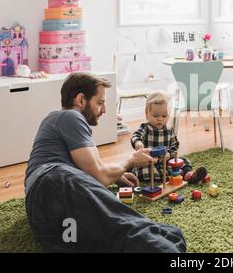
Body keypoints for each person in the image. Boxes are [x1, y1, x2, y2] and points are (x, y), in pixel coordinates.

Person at [24, 72, 186, 253]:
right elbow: (98, 175)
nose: (104, 110)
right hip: (52, 182)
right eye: (100, 102)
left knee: (106, 239)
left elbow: (87, 169)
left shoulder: (55, 120)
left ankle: (165, 240)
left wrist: (117, 175)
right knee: (124, 224)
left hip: (40, 213)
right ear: (80, 100)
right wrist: (130, 161)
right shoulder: (71, 116)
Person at [130, 91, 207, 184]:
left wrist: (169, 154)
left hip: (165, 160)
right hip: (149, 161)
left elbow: (175, 145)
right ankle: (172, 176)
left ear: (169, 115)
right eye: (155, 115)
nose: (160, 119)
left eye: (164, 116)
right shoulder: (145, 127)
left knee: (182, 161)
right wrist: (138, 143)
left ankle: (189, 175)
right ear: (147, 113)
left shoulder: (169, 130)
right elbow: (136, 135)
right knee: (142, 170)